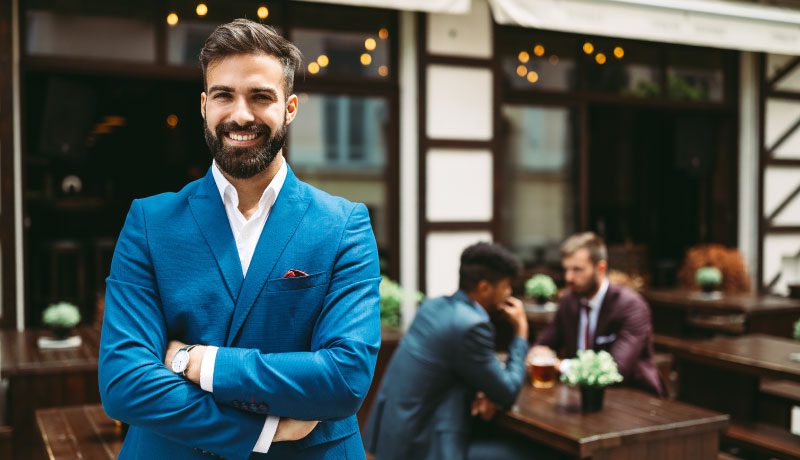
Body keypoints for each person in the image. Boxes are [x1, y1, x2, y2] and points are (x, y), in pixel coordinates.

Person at [98, 19, 381, 460]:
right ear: (204, 105)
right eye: (224, 95)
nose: (241, 114)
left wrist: (193, 361)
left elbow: (344, 378)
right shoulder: (150, 221)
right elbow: (124, 384)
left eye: (261, 96)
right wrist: (262, 430)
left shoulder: (343, 224)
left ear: (289, 108)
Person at [365, 242, 547, 460]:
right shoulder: (471, 325)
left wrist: (481, 387)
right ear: (484, 287)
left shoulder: (433, 307)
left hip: (393, 434)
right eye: (506, 286)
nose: (509, 294)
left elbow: (450, 367)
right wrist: (521, 332)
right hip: (425, 444)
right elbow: (507, 392)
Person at [530, 232, 664, 396]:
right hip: (581, 394)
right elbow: (543, 343)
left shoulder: (631, 306)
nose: (569, 277)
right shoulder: (569, 301)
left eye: (577, 270)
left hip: (634, 397)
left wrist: (559, 365)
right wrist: (539, 351)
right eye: (566, 269)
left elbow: (616, 370)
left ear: (601, 268)